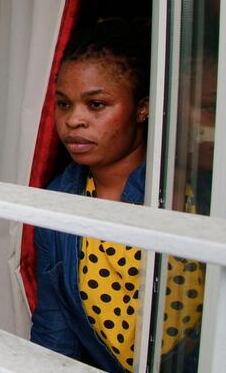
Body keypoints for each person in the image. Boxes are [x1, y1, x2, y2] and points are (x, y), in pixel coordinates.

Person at [30, 19, 202, 372]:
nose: (74, 120)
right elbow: (56, 333)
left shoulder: (188, 192)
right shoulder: (58, 200)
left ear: (142, 108)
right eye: (64, 104)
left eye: (96, 105)